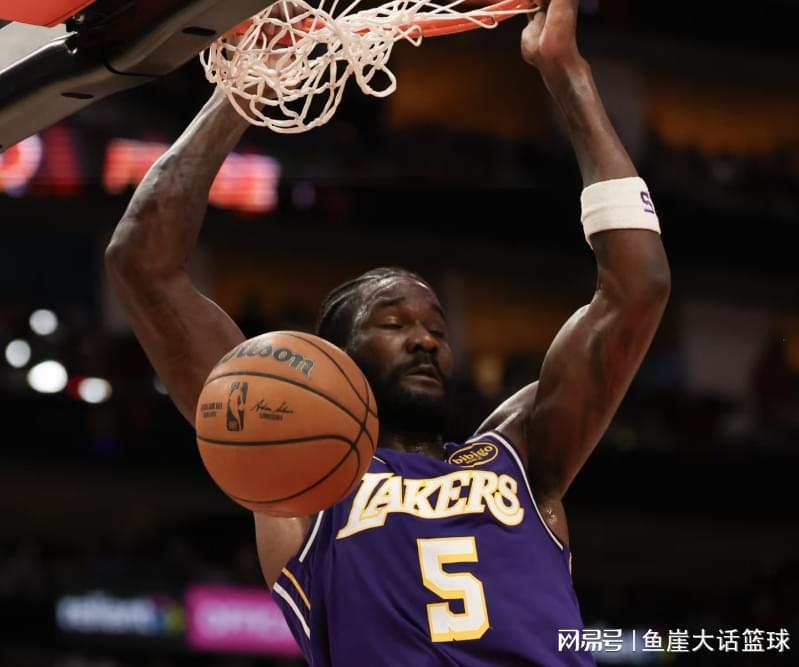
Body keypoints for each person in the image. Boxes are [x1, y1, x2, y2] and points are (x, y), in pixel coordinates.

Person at [104, 0, 670, 664]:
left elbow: (637, 288)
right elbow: (142, 264)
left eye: (436, 327)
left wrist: (565, 73)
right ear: (337, 359)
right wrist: (243, 91)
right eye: (394, 323)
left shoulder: (518, 454)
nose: (426, 339)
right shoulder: (295, 466)